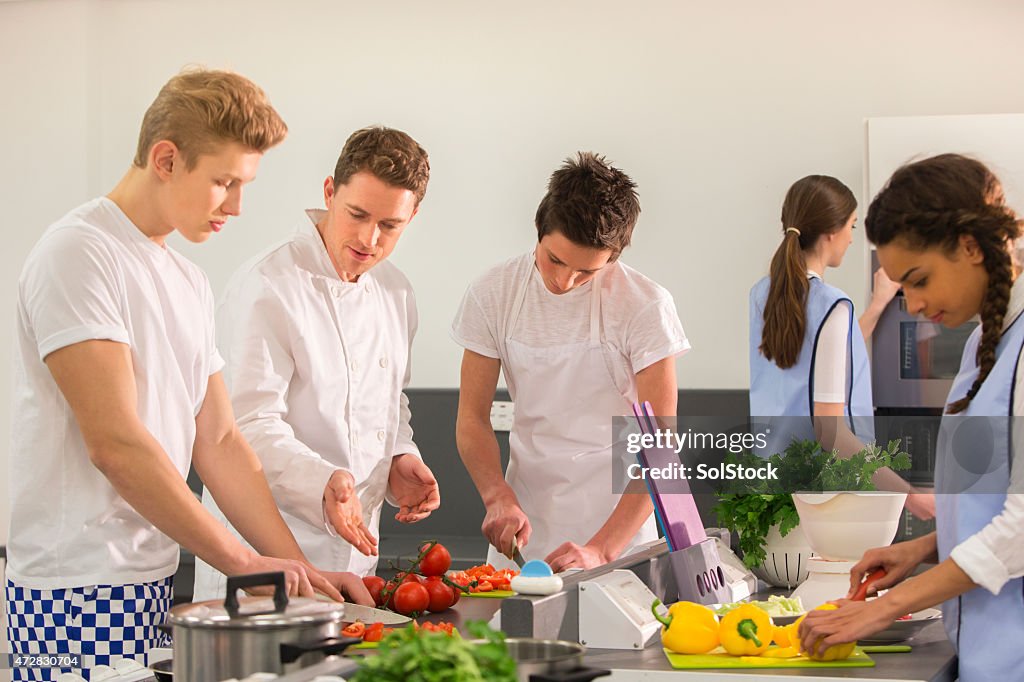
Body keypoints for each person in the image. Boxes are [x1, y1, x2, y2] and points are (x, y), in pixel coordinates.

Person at [6, 69, 370, 680]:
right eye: (224, 182)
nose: (236, 205)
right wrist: (241, 562)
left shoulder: (187, 280)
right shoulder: (79, 253)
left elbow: (222, 442)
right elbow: (115, 444)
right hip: (72, 589)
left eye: (243, 184)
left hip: (149, 583)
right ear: (166, 159)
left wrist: (295, 570)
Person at [799, 154, 1024, 681]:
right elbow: (989, 506)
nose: (914, 303)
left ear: (969, 246)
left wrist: (884, 606)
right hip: (988, 657)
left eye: (918, 279)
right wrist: (922, 548)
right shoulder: (981, 345)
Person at [192, 126, 440, 599]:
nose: (370, 238)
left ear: (413, 216)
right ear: (330, 191)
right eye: (357, 214)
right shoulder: (267, 284)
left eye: (390, 225)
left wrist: (399, 457)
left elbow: (390, 403)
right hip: (265, 553)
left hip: (356, 556)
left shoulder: (395, 291)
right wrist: (321, 480)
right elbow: (242, 427)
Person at [452, 152, 690, 572]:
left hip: (620, 532)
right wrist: (496, 496)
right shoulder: (493, 293)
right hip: (524, 523)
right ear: (539, 229)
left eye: (586, 272)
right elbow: (472, 418)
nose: (564, 281)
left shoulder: (645, 306)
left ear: (612, 258)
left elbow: (660, 445)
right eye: (555, 260)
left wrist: (601, 549)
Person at [749, 175, 933, 518]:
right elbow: (830, 433)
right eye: (851, 225)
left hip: (771, 488)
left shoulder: (764, 293)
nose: (852, 238)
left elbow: (822, 359)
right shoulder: (831, 304)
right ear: (832, 232)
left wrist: (876, 306)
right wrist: (910, 496)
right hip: (824, 498)